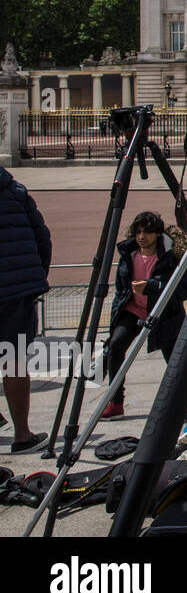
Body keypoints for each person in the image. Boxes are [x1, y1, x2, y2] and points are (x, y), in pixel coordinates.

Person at [103, 211, 187, 420]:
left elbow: (186, 290)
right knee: (116, 345)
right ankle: (115, 402)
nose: (142, 236)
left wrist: (152, 287)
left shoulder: (171, 258)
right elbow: (120, 288)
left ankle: (182, 403)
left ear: (158, 234)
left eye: (148, 232)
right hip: (133, 310)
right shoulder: (128, 255)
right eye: (138, 232)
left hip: (164, 314)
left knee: (175, 361)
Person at [0, 166, 52, 452]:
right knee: (14, 362)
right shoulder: (15, 191)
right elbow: (42, 238)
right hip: (17, 290)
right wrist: (35, 278)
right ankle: (22, 434)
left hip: (17, 286)